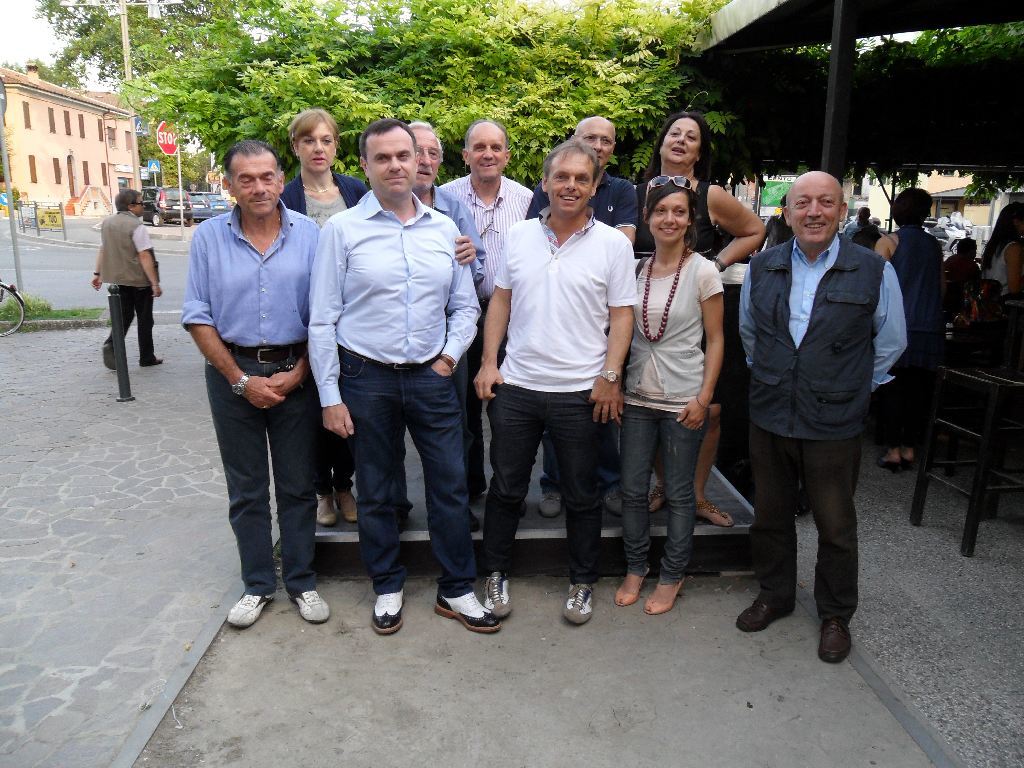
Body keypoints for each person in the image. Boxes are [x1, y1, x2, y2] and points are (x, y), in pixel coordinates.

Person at [308, 118, 498, 635]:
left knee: (450, 485)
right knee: (376, 489)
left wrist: (449, 359)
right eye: (382, 157)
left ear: (418, 162)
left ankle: (456, 589)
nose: (395, 165)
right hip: (365, 377)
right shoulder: (342, 231)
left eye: (403, 155)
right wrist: (330, 396)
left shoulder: (444, 230)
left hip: (432, 378)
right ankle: (387, 584)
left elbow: (465, 308)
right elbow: (323, 318)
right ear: (364, 165)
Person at [736, 171, 906, 663]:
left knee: (835, 524)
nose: (814, 212)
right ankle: (775, 595)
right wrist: (779, 375)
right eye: (803, 203)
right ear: (787, 213)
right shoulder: (762, 266)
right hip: (771, 413)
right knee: (769, 515)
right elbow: (750, 334)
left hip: (834, 420)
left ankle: (835, 615)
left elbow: (891, 341)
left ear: (842, 211)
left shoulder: (873, 270)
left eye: (826, 202)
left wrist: (851, 386)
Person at [475, 139, 635, 625]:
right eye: (561, 176)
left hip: (581, 392)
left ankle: (582, 582)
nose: (570, 185)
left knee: (582, 495)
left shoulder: (613, 244)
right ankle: (495, 573)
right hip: (517, 387)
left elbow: (622, 316)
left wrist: (610, 377)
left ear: (595, 186)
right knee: (506, 489)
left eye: (582, 178)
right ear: (544, 183)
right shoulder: (519, 235)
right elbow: (500, 301)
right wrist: (488, 363)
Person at [182, 140, 329, 629]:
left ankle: (302, 582)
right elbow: (197, 316)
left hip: (295, 373)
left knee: (298, 485)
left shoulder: (310, 235)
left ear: (282, 179)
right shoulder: (208, 238)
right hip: (232, 373)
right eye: (246, 179)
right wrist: (240, 380)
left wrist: (301, 372)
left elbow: (326, 312)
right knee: (246, 488)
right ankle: (258, 585)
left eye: (267, 176)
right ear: (229, 185)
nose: (259, 187)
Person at [636, 110, 765, 517]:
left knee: (709, 409)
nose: (680, 141)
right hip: (648, 317)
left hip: (702, 312)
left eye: (691, 137)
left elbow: (755, 230)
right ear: (660, 144)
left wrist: (717, 264)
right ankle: (663, 485)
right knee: (651, 404)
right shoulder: (636, 193)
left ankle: (695, 493)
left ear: (699, 153)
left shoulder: (710, 195)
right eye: (674, 133)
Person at [615, 177, 723, 615]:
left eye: (679, 211)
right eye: (660, 211)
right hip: (637, 396)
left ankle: (672, 575)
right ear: (646, 217)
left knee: (679, 493)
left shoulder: (703, 271)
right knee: (632, 489)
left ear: (690, 219)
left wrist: (704, 398)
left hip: (683, 400)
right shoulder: (635, 270)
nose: (669, 219)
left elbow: (716, 339)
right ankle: (635, 567)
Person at [525, 116, 639, 519]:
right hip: (555, 310)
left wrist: (587, 248)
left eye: (606, 139)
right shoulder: (550, 184)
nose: (599, 144)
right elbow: (539, 236)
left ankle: (609, 483)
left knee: (602, 406)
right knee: (555, 407)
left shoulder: (622, 190)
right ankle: (553, 483)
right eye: (591, 137)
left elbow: (624, 241)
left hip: (601, 307)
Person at [392, 120, 486, 532]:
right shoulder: (375, 208)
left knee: (456, 424)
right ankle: (395, 506)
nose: (425, 160)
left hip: (448, 336)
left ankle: (455, 505)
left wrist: (468, 258)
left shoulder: (452, 207)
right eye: (417, 152)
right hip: (389, 339)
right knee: (389, 431)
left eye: (433, 153)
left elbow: (478, 267)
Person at [281, 108, 368, 528]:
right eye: (309, 140)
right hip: (305, 319)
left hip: (351, 319)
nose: (318, 148)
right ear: (296, 146)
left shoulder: (355, 190)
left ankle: (345, 485)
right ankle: (322, 491)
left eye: (326, 140)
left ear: (336, 146)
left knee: (347, 408)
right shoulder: (285, 197)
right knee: (315, 410)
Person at [439, 120, 533, 502]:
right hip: (460, 315)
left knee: (508, 410)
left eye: (496, 147)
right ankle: (470, 488)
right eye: (479, 147)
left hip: (512, 316)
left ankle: (507, 492)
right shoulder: (446, 198)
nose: (488, 154)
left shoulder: (526, 200)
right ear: (465, 155)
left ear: (507, 156)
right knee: (463, 412)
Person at [874, 188, 945, 472]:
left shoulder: (888, 242)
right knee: (919, 391)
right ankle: (909, 448)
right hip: (929, 326)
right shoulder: (934, 245)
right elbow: (942, 287)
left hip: (897, 326)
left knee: (892, 387)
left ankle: (892, 450)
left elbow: (876, 288)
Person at [92, 188, 163, 369]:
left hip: (118, 281)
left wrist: (97, 274)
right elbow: (144, 255)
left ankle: (111, 344)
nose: (143, 206)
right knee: (145, 320)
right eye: (141, 203)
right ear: (131, 206)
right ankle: (147, 357)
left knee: (124, 316)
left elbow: (103, 249)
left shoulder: (107, 223)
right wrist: (154, 283)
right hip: (139, 280)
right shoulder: (136, 226)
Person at [980, 202, 1024, 297]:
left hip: (989, 300)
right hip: (1006, 301)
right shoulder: (1014, 248)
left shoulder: (994, 245)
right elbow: (1014, 288)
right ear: (1016, 221)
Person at [943, 237, 980, 318]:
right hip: (962, 304)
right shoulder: (972, 266)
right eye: (975, 250)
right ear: (971, 251)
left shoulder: (949, 261)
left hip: (944, 302)